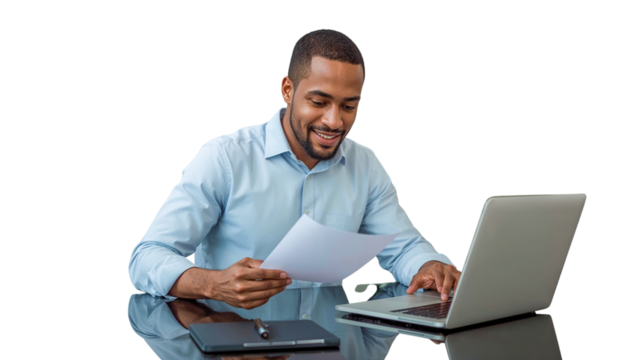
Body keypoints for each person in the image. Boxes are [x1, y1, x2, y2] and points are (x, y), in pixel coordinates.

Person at [128, 27, 460, 310]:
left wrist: (431, 266)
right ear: (287, 89)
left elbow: (403, 248)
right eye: (319, 102)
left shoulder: (365, 164)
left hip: (332, 348)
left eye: (349, 106)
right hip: (237, 346)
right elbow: (147, 257)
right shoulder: (225, 157)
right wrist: (212, 284)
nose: (334, 121)